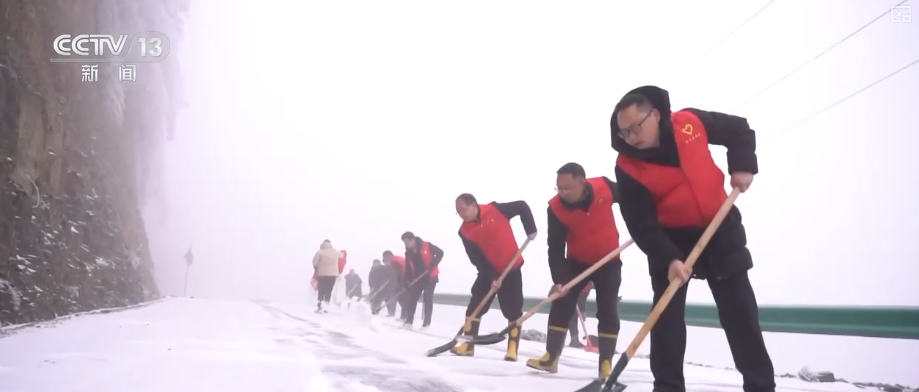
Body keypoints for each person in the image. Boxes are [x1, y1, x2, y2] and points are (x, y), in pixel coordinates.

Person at [611, 85, 775, 392]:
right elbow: (640, 223)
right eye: (625, 133)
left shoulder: (690, 122)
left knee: (740, 314)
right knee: (666, 319)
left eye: (636, 127)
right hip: (669, 240)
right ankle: (668, 387)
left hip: (720, 227)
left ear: (655, 115)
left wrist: (742, 166)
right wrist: (670, 258)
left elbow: (739, 130)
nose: (632, 137)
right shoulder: (627, 166)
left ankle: (761, 386)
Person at [526, 163, 624, 379]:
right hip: (577, 262)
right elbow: (556, 246)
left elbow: (631, 199)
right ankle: (551, 357)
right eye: (558, 188)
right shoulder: (556, 208)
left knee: (607, 309)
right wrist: (559, 280)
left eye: (567, 188)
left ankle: (605, 363)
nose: (562, 193)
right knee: (561, 303)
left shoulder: (604, 187)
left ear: (582, 182)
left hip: (609, 260)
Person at [451, 193, 537, 362]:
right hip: (488, 272)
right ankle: (468, 345)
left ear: (474, 205)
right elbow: (476, 258)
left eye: (463, 209)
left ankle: (512, 348)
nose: (461, 214)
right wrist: (492, 277)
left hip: (511, 268)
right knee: (475, 306)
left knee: (512, 311)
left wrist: (531, 229)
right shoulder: (464, 232)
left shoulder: (496, 209)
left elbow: (521, 205)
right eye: (458, 212)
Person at [400, 231, 445, 329]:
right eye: (404, 242)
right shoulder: (408, 253)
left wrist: (432, 265)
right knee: (412, 299)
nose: (406, 244)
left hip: (430, 276)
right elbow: (408, 268)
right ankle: (408, 322)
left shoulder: (426, 245)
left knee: (427, 299)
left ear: (413, 239)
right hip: (418, 278)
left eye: (407, 241)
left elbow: (440, 253)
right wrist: (407, 281)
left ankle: (426, 324)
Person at [311, 239, 341, 313]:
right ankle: (326, 305)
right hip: (333, 275)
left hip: (322, 274)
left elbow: (315, 262)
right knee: (329, 290)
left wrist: (317, 269)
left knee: (321, 290)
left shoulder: (319, 252)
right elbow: (341, 256)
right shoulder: (335, 251)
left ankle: (320, 306)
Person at [382, 250, 407, 318]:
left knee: (400, 297)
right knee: (400, 296)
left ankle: (405, 315)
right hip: (405, 278)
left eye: (385, 257)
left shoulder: (394, 261)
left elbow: (398, 273)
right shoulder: (396, 259)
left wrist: (397, 284)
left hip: (405, 278)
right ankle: (404, 315)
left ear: (387, 256)